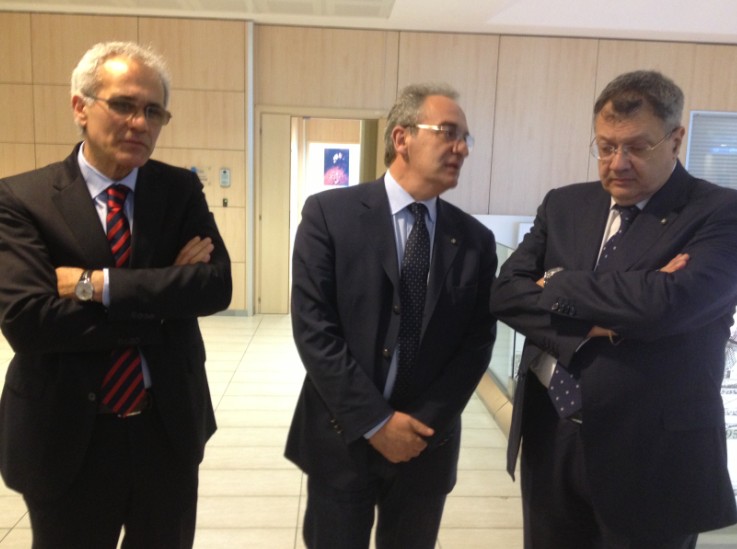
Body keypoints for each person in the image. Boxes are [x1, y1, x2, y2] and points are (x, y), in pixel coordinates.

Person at [490, 70, 737, 548]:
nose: (617, 163)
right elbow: (505, 294)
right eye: (605, 147)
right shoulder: (565, 205)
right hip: (550, 433)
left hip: (652, 453)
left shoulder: (719, 212)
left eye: (637, 147)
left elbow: (665, 306)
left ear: (675, 139)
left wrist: (556, 281)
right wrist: (598, 325)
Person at [0, 41, 231, 548]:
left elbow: (216, 286)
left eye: (153, 111)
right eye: (124, 105)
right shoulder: (22, 199)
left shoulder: (179, 191)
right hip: (66, 434)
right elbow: (29, 321)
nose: (140, 123)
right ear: (80, 107)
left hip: (166, 429)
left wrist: (95, 285)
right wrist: (164, 294)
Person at [286, 83, 497, 549]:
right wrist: (376, 423)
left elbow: (477, 343)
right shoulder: (329, 215)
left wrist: (422, 424)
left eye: (465, 138)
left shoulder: (474, 240)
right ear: (402, 138)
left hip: (426, 444)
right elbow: (314, 330)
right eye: (448, 132)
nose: (462, 148)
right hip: (342, 435)